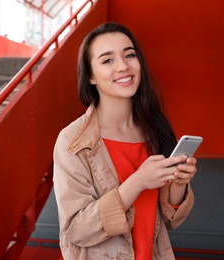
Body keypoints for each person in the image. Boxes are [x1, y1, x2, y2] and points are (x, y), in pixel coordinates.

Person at [53, 22, 196, 260]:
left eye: (129, 55)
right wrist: (137, 182)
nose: (123, 66)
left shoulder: (154, 128)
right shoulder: (72, 141)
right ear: (90, 75)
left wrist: (179, 183)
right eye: (107, 60)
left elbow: (171, 221)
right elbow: (76, 229)